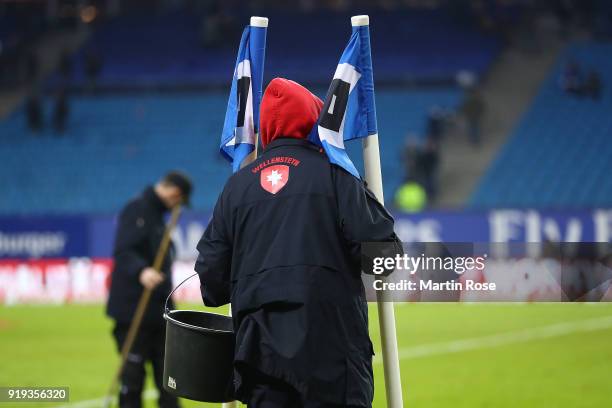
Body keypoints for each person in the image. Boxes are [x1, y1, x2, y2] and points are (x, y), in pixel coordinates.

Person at [195, 78, 401, 408]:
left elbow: (212, 284)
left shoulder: (236, 187)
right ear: (313, 119)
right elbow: (381, 256)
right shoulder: (336, 174)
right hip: (332, 352)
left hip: (258, 357)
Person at [106, 171, 192, 408]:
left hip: (158, 313)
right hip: (134, 311)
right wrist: (142, 271)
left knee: (169, 380)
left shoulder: (157, 216)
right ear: (174, 193)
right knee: (133, 379)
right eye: (179, 200)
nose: (177, 206)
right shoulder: (137, 210)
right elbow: (123, 252)